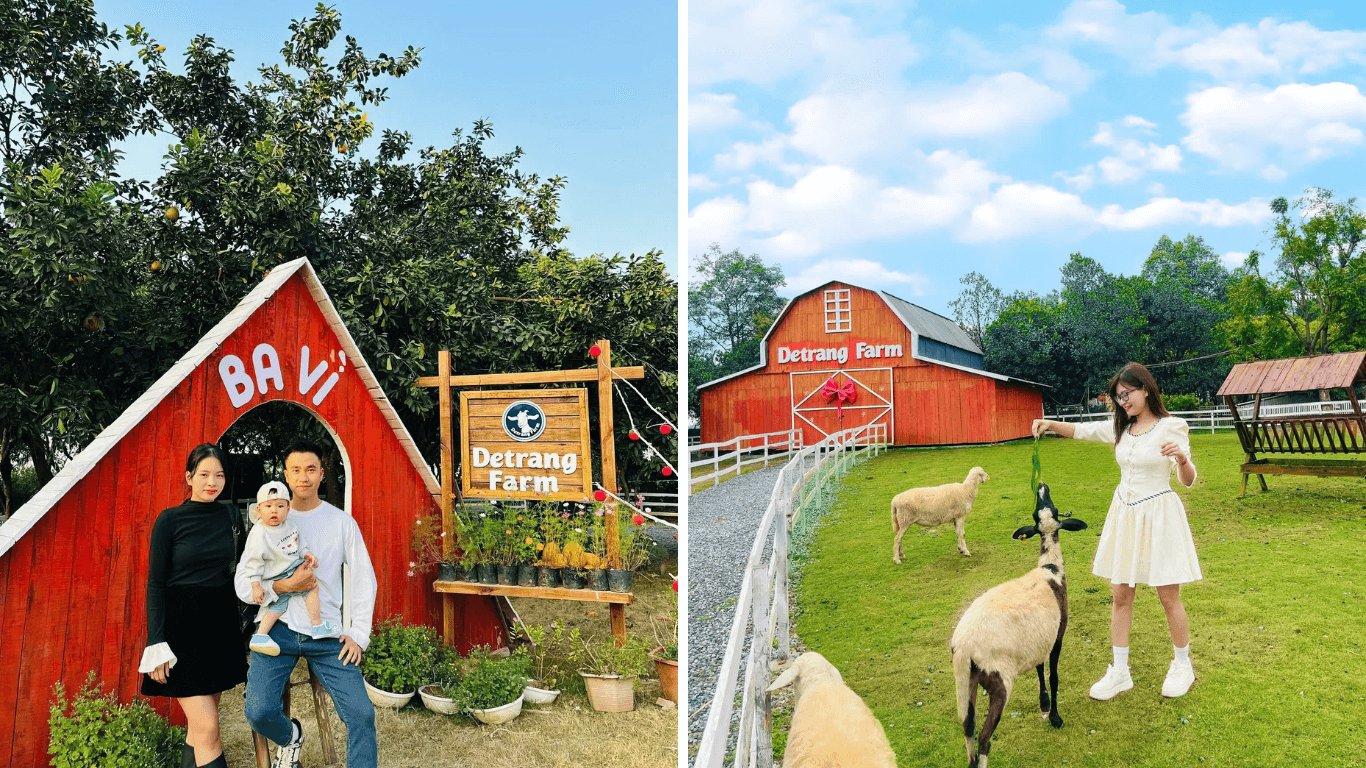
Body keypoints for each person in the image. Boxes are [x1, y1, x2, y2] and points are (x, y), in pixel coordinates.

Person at [1032, 362, 1200, 700]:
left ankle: (1183, 665)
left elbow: (1189, 480)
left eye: (1128, 394)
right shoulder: (1121, 428)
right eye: (1118, 397)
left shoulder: (1172, 427)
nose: (1123, 401)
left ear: (1146, 389)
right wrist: (1049, 424)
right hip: (1124, 515)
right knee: (1121, 595)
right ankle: (1120, 672)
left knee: (1169, 596)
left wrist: (1182, 459)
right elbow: (1084, 430)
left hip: (1159, 517)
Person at [238, 440, 378, 768]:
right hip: (278, 631)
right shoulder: (265, 526)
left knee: (362, 714)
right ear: (286, 475)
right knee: (257, 710)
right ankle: (291, 738)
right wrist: (281, 586)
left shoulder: (341, 522)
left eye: (311, 469)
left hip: (326, 632)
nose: (304, 477)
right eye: (296, 470)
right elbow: (243, 584)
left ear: (321, 473)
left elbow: (363, 580)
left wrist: (358, 633)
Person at [139, 444, 250, 768]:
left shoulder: (231, 516)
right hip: (182, 633)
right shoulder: (169, 521)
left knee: (200, 730)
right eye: (204, 474)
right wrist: (156, 641)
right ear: (189, 477)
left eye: (219, 475)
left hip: (220, 628)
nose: (212, 482)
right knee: (209, 727)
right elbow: (156, 584)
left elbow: (245, 567)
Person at [240, 481, 340, 656]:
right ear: (259, 510)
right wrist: (256, 585)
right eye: (268, 506)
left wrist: (307, 554)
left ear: (287, 509)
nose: (274, 511)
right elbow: (253, 561)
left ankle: (315, 625)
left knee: (306, 589)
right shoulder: (259, 533)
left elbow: (298, 545)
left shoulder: (291, 526)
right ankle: (261, 635)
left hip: (291, 567)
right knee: (284, 601)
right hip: (275, 574)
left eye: (280, 506)